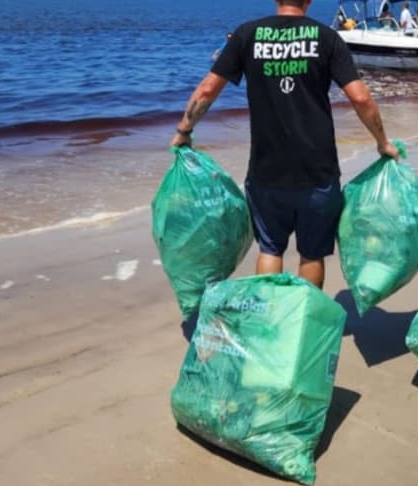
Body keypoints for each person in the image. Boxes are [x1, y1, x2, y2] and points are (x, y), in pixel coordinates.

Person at [170, 0, 399, 295]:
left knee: (270, 248)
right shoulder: (327, 37)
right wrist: (383, 143)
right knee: (312, 253)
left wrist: (183, 131)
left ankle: (270, 319)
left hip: (266, 170)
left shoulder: (247, 35)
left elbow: (208, 90)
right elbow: (361, 98)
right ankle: (303, 326)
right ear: (310, 0)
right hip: (318, 170)